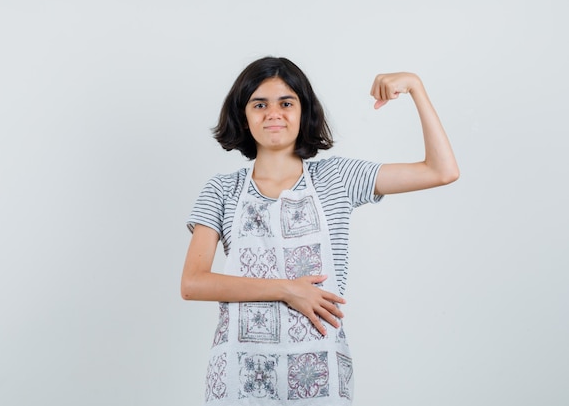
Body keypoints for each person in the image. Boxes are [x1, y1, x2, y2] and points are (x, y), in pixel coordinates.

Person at [181, 56, 459, 405]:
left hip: (320, 380)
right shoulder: (221, 190)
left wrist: (416, 87)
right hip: (239, 381)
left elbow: (441, 170)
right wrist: (287, 290)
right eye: (259, 104)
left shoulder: (338, 179)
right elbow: (193, 283)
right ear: (243, 115)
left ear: (304, 111)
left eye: (286, 103)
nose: (273, 113)